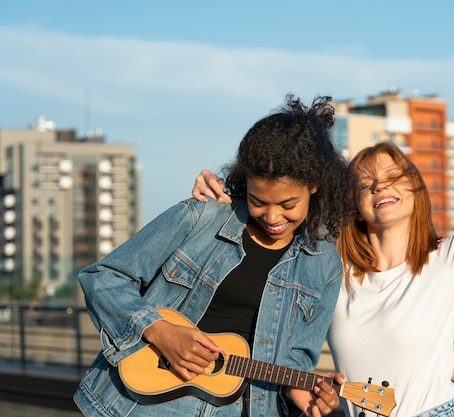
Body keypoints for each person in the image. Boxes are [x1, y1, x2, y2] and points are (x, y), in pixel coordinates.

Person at [192, 53, 454, 417]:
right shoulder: (331, 270)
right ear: (355, 206)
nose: (382, 188)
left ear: (416, 190)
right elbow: (274, 216)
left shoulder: (447, 260)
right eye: (367, 185)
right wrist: (224, 197)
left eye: (394, 178)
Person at [74, 94, 355, 417]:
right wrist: (158, 331)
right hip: (138, 406)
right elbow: (104, 277)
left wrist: (301, 395)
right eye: (258, 201)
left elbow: (295, 363)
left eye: (288, 205)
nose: (273, 217)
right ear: (244, 182)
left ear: (316, 186)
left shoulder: (324, 265)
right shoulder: (201, 217)